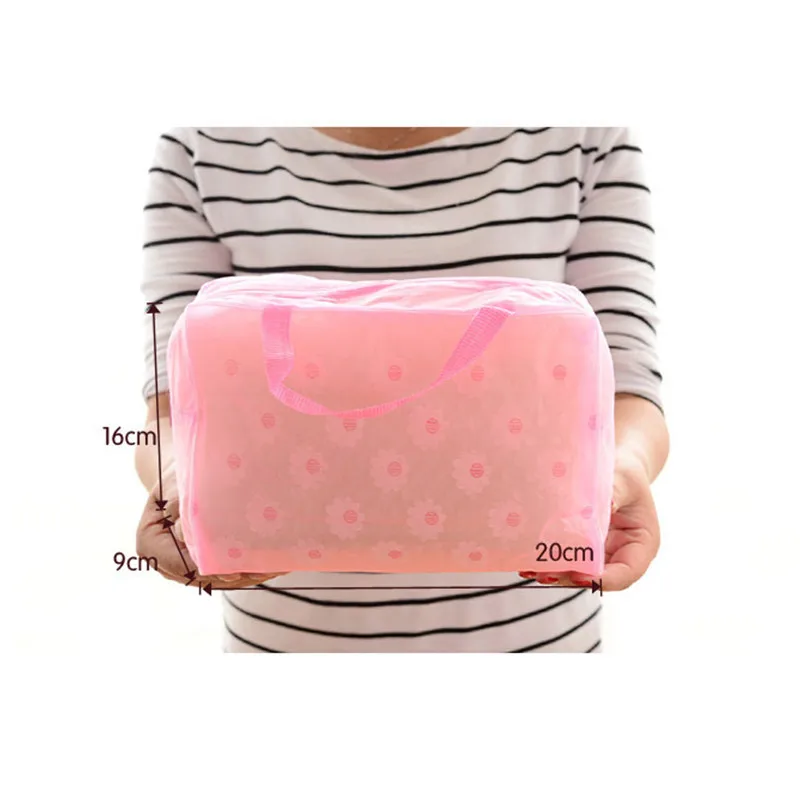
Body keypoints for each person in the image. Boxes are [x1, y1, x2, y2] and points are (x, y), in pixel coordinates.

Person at [135, 127, 669, 653]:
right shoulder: (201, 145)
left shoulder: (587, 137)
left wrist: (621, 471)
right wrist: (176, 484)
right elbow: (172, 407)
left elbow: (631, 389)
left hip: (538, 634)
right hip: (286, 640)